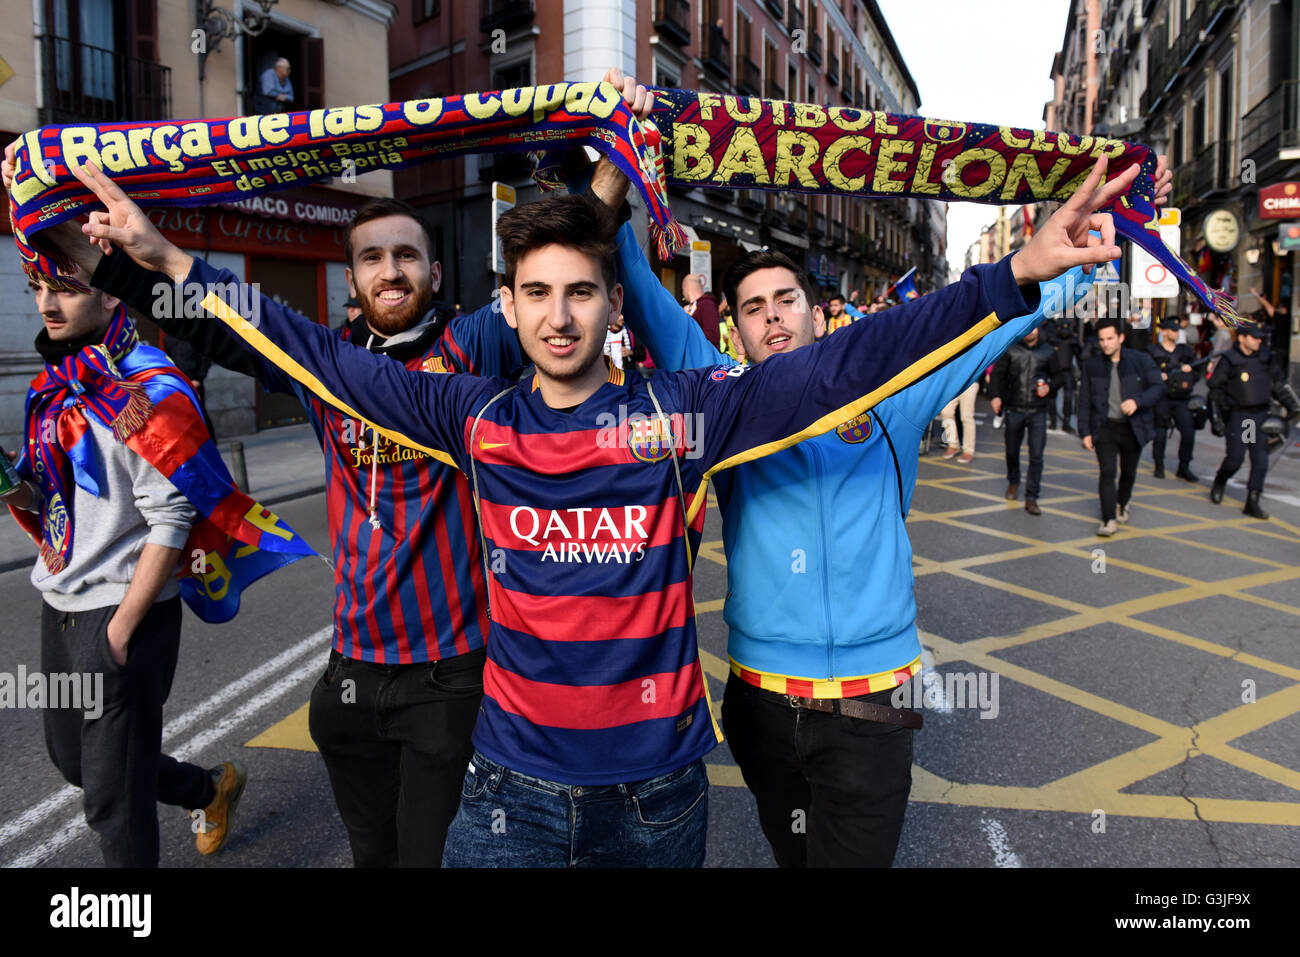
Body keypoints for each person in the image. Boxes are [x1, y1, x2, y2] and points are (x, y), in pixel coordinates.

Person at [63, 112, 1115, 865]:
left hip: (658, 801)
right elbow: (309, 353)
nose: (557, 316)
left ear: (617, 305)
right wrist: (170, 262)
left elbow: (848, 364)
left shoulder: (689, 414)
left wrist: (1011, 275)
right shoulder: (470, 418)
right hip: (506, 796)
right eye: (534, 295)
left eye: (579, 292)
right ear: (508, 312)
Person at [590, 74, 1151, 866]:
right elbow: (638, 289)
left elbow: (987, 322)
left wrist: (1064, 262)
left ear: (819, 315)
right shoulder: (719, 396)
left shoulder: (893, 398)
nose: (773, 314)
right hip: (758, 702)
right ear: (735, 333)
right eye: (752, 307)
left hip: (874, 707)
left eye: (787, 299)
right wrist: (613, 158)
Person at [7, 143, 524, 867]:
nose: (391, 270)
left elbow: (561, 277)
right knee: (372, 853)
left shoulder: (473, 347)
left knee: (427, 855)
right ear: (352, 278)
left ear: (435, 273)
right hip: (354, 672)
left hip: (452, 674)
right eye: (372, 258)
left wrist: (601, 169)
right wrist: (93, 247)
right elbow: (218, 321)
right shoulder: (324, 359)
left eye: (407, 256)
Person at [0, 264, 245, 867]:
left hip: (121, 610)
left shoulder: (149, 390)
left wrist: (120, 632)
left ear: (110, 292)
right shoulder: (55, 386)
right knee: (74, 761)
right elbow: (46, 499)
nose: (46, 303)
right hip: (60, 602)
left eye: (63, 287)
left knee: (114, 801)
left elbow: (172, 515)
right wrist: (9, 483)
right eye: (37, 288)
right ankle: (206, 788)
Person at [1077, 317, 1165, 536]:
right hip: (1105, 427)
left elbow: (1157, 387)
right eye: (1101, 339)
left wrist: (1137, 401)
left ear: (1121, 338)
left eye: (1110, 338)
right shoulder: (1092, 364)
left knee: (1128, 472)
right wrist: (1085, 432)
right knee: (1107, 472)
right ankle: (1108, 519)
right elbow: (1084, 400)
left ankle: (1122, 502)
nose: (1105, 344)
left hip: (1132, 427)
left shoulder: (1140, 360)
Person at [1207, 319, 1300, 519]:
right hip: (1242, 417)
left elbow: (1277, 385)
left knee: (1260, 460)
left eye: (1260, 338)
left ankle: (1253, 500)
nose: (1259, 341)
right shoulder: (1230, 360)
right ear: (1242, 338)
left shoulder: (1265, 358)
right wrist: (1216, 419)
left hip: (1261, 417)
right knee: (1235, 459)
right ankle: (1221, 480)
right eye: (1254, 337)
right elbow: (1215, 390)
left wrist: (1291, 406)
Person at [989, 326, 1063, 515]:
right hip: (1014, 409)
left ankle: (1032, 497)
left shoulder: (1047, 351)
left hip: (1038, 411)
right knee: (1012, 451)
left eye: (1035, 326)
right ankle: (1013, 482)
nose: (1031, 330)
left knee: (1036, 456)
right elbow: (997, 374)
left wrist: (1050, 387)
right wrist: (996, 396)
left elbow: (1059, 376)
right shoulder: (1011, 349)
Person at [1146, 315, 1198, 481]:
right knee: (1160, 433)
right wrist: (1157, 376)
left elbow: (1198, 372)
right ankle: (1159, 465)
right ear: (1164, 332)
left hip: (1181, 398)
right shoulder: (1153, 352)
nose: (1176, 333)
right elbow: (1145, 372)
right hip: (1162, 397)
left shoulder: (1185, 352)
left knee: (1188, 432)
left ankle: (1184, 466)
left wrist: (1190, 372)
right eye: (1173, 330)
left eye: (1177, 330)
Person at [939, 382, 977, 463]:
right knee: (946, 412)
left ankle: (968, 451)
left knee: (966, 416)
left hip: (971, 382)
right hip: (953, 382)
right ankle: (953, 445)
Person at [681, 272, 721, 349]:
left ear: (685, 287)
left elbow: (713, 336)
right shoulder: (694, 306)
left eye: (682, 290)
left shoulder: (707, 304)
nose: (683, 294)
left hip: (705, 359)